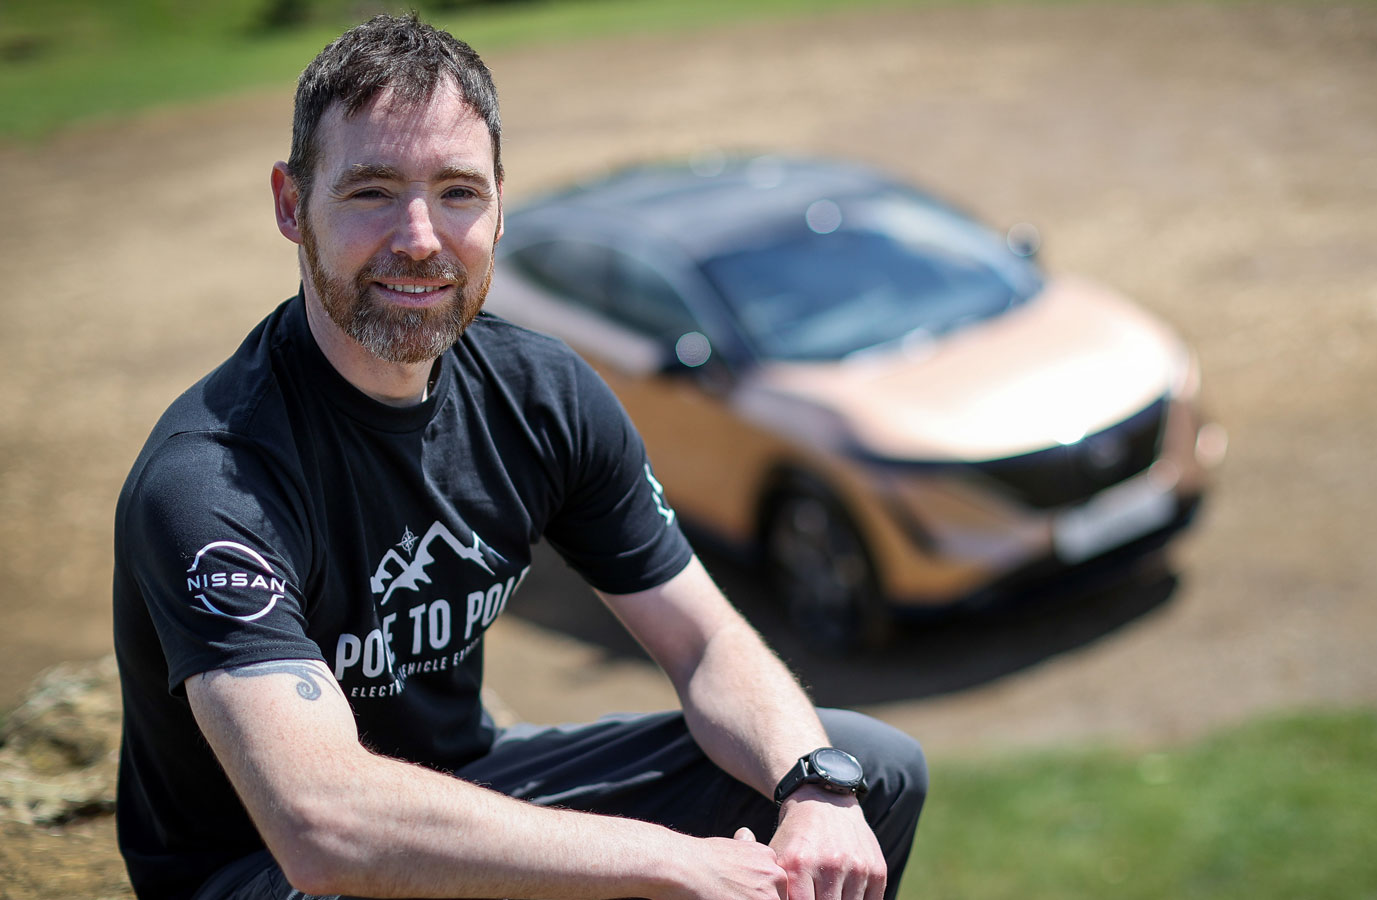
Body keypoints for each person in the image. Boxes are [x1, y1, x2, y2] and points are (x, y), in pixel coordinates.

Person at [111, 14, 925, 900]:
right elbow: (322, 824)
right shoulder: (210, 478)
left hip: (468, 780)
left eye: (457, 192)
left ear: (501, 206)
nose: (420, 236)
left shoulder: (543, 393)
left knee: (871, 769)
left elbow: (705, 642)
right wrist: (670, 860)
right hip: (262, 874)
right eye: (371, 191)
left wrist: (813, 781)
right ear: (289, 204)